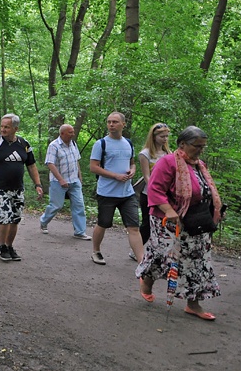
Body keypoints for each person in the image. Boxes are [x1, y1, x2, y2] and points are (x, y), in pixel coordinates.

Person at [137, 126, 223, 320]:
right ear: (182, 144)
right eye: (196, 146)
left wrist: (215, 209)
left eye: (203, 146)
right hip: (166, 220)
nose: (200, 150)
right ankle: (147, 281)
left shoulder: (199, 165)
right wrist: (169, 210)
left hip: (195, 221)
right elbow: (154, 189)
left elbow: (204, 190)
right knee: (162, 257)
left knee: (197, 261)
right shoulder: (167, 162)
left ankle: (193, 304)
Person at [0, 114, 44, 261]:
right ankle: (2, 245)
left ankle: (9, 246)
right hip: (0, 188)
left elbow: (31, 165)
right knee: (4, 217)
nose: (3, 129)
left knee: (15, 218)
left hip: (17, 188)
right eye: (2, 126)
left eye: (6, 127)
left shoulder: (23, 144)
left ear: (15, 128)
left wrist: (38, 184)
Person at [89, 112, 144, 266]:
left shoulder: (128, 143)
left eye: (115, 122)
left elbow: (132, 162)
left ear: (123, 124)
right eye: (109, 122)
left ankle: (141, 261)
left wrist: (132, 170)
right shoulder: (101, 144)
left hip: (127, 193)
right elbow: (93, 167)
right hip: (107, 192)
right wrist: (115, 176)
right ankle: (96, 251)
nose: (111, 125)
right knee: (103, 223)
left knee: (133, 226)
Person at [39, 123, 89, 240]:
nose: (73, 134)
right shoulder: (54, 146)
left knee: (79, 205)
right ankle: (43, 221)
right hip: (58, 181)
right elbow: (50, 164)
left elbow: (76, 161)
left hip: (74, 181)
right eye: (70, 132)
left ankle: (80, 232)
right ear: (62, 133)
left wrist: (79, 177)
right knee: (56, 205)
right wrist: (61, 180)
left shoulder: (73, 144)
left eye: (73, 132)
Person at [138, 123, 171, 248]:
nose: (165, 139)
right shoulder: (145, 154)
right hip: (149, 194)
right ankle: (138, 249)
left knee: (162, 222)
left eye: (167, 136)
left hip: (165, 194)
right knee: (147, 222)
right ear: (154, 136)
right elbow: (147, 176)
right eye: (162, 136)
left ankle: (157, 248)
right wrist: (155, 192)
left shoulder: (168, 153)